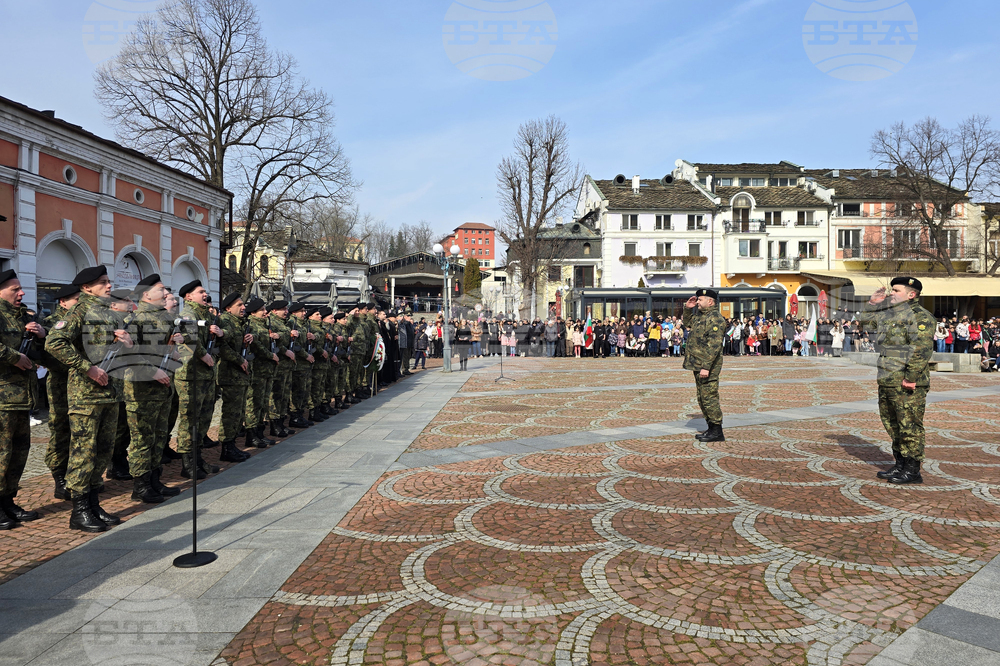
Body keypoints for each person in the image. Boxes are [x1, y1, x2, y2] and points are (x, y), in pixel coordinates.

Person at [45, 266, 132, 532]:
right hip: (85, 395)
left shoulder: (110, 314)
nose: (108, 286)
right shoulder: (79, 311)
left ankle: (93, 503)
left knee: (103, 450)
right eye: (102, 282)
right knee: (83, 452)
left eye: (108, 281)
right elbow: (54, 342)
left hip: (110, 392)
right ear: (86, 288)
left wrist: (125, 341)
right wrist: (87, 368)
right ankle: (79, 509)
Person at [858, 277, 935, 484]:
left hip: (906, 381)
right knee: (892, 424)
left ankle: (912, 470)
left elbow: (921, 350)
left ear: (912, 294)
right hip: (887, 378)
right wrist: (872, 303)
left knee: (910, 425)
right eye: (892, 289)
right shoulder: (889, 314)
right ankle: (900, 464)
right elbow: (865, 323)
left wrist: (911, 378)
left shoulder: (921, 317)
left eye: (896, 290)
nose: (892, 293)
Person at [122, 274, 183, 503]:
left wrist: (174, 348)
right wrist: (152, 372)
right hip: (142, 391)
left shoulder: (164, 319)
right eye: (161, 290)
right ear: (146, 295)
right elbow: (129, 355)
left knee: (159, 436)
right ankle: (140, 485)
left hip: (162, 388)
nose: (166, 293)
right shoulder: (136, 320)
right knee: (142, 439)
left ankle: (155, 480)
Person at [0, 270, 46, 529]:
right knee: (1, 453)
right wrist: (12, 356)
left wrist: (40, 335)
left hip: (22, 397)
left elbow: (40, 354)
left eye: (20, 288)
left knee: (18, 453)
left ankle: (8, 500)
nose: (21, 293)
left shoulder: (24, 316)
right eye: (14, 289)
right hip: (2, 397)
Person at [173, 280, 223, 480]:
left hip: (205, 374)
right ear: (188, 296)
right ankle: (188, 464)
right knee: (190, 420)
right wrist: (203, 354)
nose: (205, 295)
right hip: (190, 375)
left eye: (205, 292)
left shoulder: (204, 315)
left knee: (204, 419)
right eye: (200, 292)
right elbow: (189, 337)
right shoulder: (187, 314)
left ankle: (197, 457)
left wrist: (219, 333)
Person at [41, 283, 80, 501]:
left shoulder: (82, 320)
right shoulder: (50, 323)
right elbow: (47, 356)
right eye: (76, 300)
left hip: (81, 383)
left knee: (79, 431)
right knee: (61, 428)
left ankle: (76, 475)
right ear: (63, 302)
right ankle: (59, 477)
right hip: (61, 382)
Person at [682, 288, 726, 443]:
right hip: (697, 364)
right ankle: (711, 428)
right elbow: (687, 323)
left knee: (709, 398)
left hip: (707, 366)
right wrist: (688, 309)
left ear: (710, 301)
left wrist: (706, 366)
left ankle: (717, 431)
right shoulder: (700, 317)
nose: (698, 302)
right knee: (702, 397)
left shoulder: (715, 319)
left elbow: (713, 346)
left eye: (700, 300)